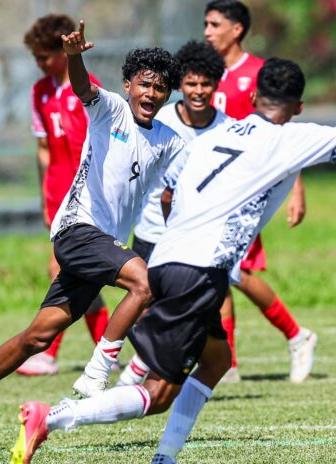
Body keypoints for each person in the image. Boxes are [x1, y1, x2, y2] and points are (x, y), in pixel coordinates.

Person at [9, 50, 336, 464]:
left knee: (217, 362)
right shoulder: (288, 138)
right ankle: (50, 418)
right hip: (197, 271)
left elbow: (170, 197)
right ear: (297, 108)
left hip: (167, 257)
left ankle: (165, 456)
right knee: (158, 392)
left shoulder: (219, 135)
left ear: (256, 95)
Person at [0, 20, 184, 448]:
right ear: (127, 86)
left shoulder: (169, 141)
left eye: (160, 88)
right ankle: (97, 372)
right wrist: (73, 56)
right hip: (76, 229)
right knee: (143, 283)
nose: (151, 94)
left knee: (38, 336)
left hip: (103, 245)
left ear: (167, 95)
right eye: (144, 85)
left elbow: (178, 191)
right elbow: (84, 87)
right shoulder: (109, 108)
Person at [205, 0, 315, 383]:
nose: (207, 31)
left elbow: (283, 134)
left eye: (214, 24)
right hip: (214, 188)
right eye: (205, 23)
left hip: (250, 189)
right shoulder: (205, 72)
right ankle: (228, 363)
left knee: (238, 272)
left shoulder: (258, 74)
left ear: (236, 29)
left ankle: (296, 335)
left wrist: (296, 187)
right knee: (220, 272)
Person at [118, 40, 230, 386]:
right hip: (153, 230)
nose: (198, 91)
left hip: (198, 237)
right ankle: (132, 365)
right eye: (191, 83)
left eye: (205, 84)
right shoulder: (161, 118)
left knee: (197, 303)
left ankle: (144, 368)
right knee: (145, 298)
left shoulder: (227, 128)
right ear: (181, 85)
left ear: (216, 85)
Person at [18, 14, 110, 377]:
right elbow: (43, 149)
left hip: (87, 190)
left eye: (45, 56)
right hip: (58, 192)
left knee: (64, 267)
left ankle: (48, 350)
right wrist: (46, 197)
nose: (40, 64)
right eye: (36, 58)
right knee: (75, 272)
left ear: (64, 50)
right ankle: (107, 349)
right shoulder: (39, 92)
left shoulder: (86, 87)